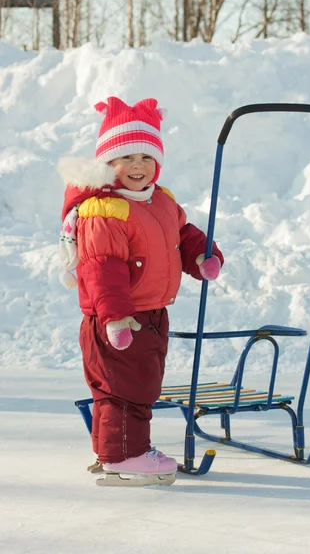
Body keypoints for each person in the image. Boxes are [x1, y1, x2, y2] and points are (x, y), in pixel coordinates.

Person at [58, 96, 224, 485]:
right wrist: (115, 316)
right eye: (126, 157)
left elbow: (182, 234)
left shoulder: (161, 200)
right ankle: (127, 456)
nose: (137, 166)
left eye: (146, 157)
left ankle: (111, 452)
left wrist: (202, 254)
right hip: (119, 318)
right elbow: (102, 268)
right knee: (126, 391)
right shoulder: (105, 209)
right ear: (108, 163)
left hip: (150, 314)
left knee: (132, 385)